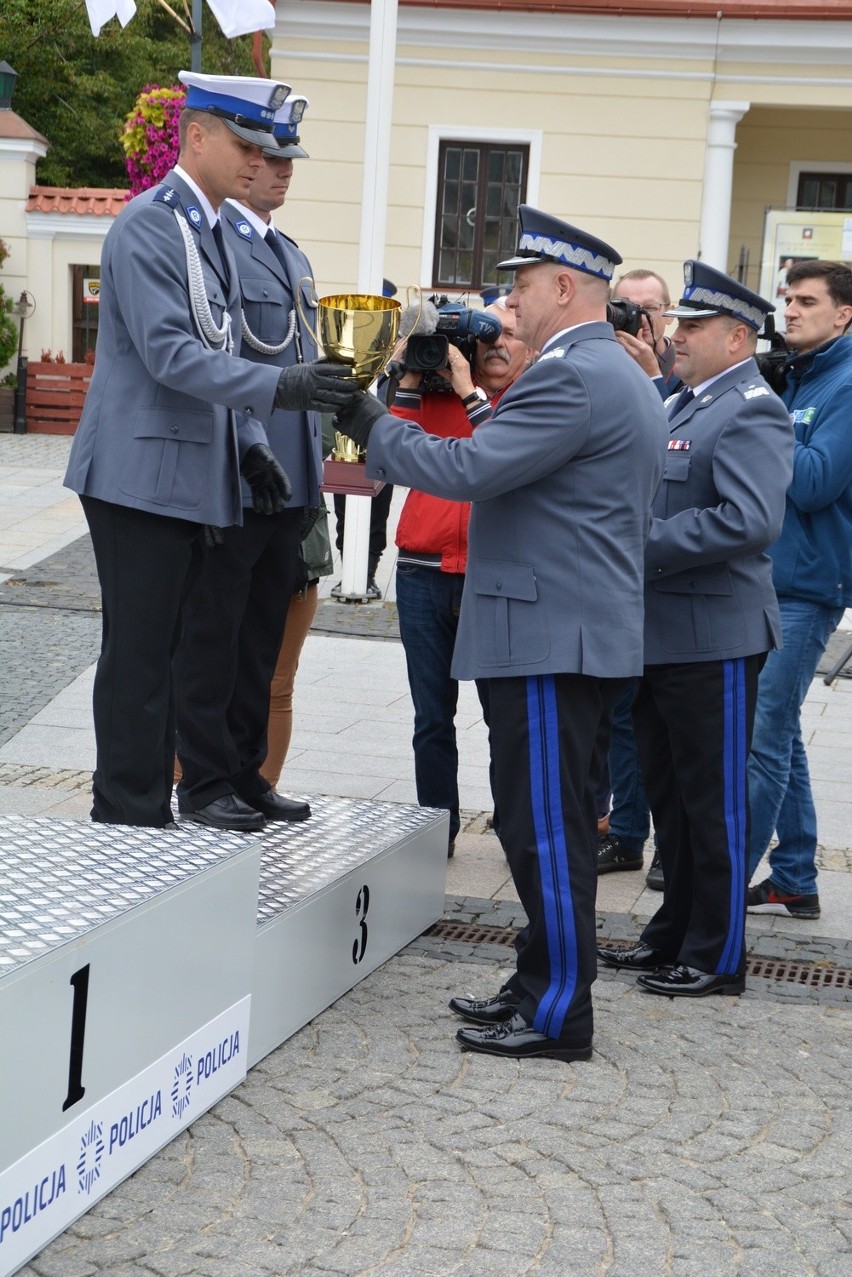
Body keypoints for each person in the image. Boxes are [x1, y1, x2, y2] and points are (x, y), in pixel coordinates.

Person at [334, 205, 668, 1061]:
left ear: (566, 288)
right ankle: (535, 981)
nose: (507, 309)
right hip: (566, 630)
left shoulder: (573, 373)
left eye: (520, 290)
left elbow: (471, 469)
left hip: (553, 634)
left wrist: (369, 423)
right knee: (537, 823)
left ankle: (557, 1011)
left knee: (545, 829)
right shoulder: (604, 368)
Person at [63, 73, 357, 828]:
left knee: (166, 649)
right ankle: (127, 809)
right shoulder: (153, 224)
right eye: (245, 143)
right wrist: (282, 387)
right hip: (139, 474)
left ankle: (146, 806)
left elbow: (219, 343)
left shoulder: (206, 228)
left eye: (264, 147)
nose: (259, 160)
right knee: (140, 652)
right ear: (197, 136)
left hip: (184, 475)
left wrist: (252, 443)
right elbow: (171, 354)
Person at [598, 260, 794, 998]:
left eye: (693, 326)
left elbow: (749, 520)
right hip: (662, 636)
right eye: (678, 323)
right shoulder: (684, 401)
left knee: (711, 804)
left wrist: (638, 545)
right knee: (673, 801)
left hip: (713, 637)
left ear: (737, 337)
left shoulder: (750, 407)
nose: (675, 336)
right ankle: (671, 934)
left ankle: (717, 954)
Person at [174, 91, 327, 831]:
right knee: (216, 635)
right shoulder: (219, 247)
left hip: (291, 473)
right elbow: (219, 362)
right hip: (242, 469)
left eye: (287, 158)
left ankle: (247, 770)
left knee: (263, 633)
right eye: (266, 157)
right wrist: (253, 450)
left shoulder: (285, 250)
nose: (280, 172)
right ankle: (203, 778)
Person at [391, 297, 535, 857]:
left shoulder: (532, 398)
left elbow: (504, 462)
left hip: (492, 577)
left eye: (510, 337)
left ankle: (513, 826)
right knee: (432, 717)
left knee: (505, 718)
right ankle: (436, 831)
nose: (497, 346)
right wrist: (409, 373)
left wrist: (469, 393)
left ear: (532, 347)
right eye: (488, 337)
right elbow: (392, 455)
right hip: (423, 571)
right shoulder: (434, 392)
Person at [746, 260, 852, 920]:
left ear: (843, 314)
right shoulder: (802, 374)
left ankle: (722, 881)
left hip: (808, 586)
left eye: (807, 301)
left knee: (761, 737)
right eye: (787, 299)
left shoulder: (844, 382)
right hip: (769, 576)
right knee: (778, 732)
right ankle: (794, 873)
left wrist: (767, 414)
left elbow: (815, 482)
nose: (790, 311)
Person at [597, 268, 679, 888]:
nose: (636, 321)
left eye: (647, 310)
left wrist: (653, 376)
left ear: (667, 316)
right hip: (617, 570)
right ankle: (620, 828)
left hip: (665, 568)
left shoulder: (683, 370)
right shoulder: (602, 362)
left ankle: (648, 833)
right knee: (616, 713)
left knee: (652, 715)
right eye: (626, 308)